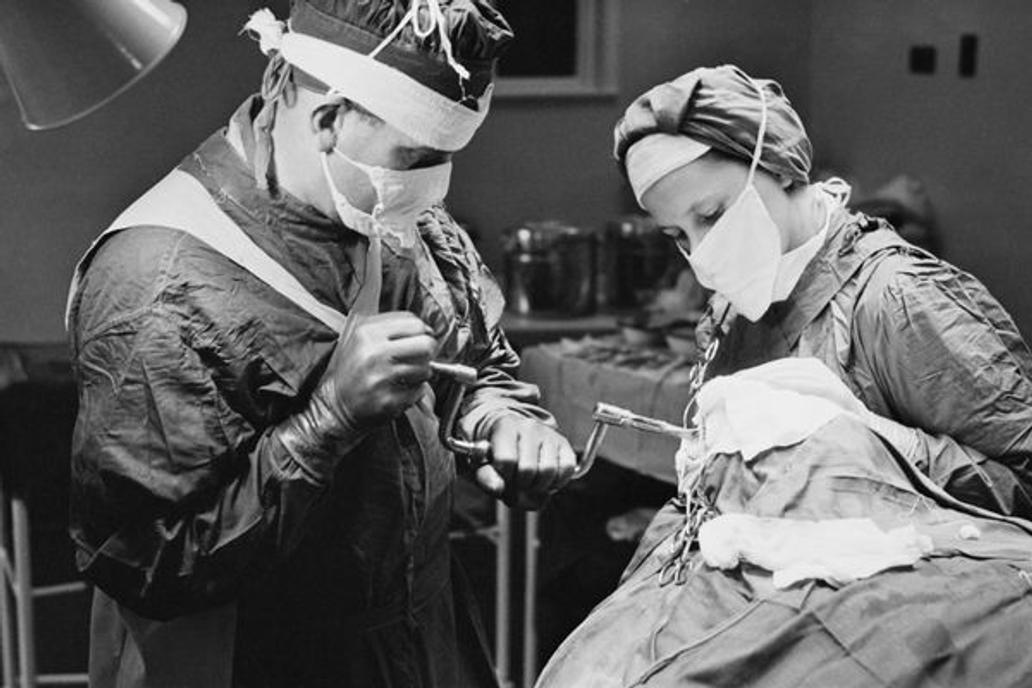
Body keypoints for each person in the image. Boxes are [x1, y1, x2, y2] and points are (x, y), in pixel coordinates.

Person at [66, 1, 577, 686]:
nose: (434, 186)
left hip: (418, 635)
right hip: (267, 663)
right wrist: (327, 420)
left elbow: (472, 358)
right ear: (330, 119)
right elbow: (153, 564)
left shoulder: (386, 210)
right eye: (420, 158)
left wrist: (500, 418)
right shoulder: (159, 286)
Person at [613, 64, 1032, 520]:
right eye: (677, 234)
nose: (701, 253)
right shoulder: (733, 311)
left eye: (712, 215)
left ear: (780, 167)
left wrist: (879, 443)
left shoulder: (897, 299)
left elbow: (1023, 482)